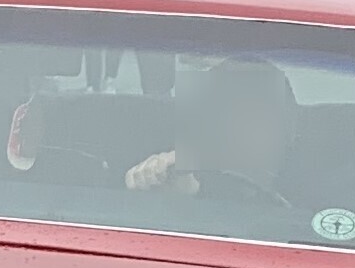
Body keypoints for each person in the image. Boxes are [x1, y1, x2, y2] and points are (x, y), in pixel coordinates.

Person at [122, 57, 299, 205]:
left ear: (289, 130)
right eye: (223, 111)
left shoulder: (308, 212)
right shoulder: (181, 187)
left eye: (253, 116)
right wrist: (155, 180)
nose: (236, 128)